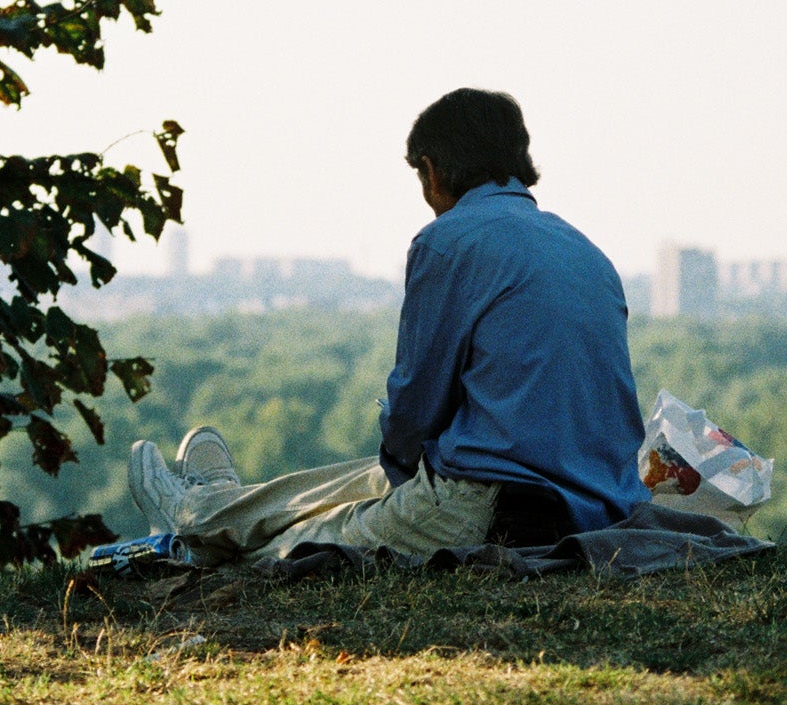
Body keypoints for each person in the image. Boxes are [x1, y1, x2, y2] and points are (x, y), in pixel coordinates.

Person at [125, 87, 649, 562]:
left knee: (295, 550)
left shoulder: (448, 241)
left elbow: (416, 409)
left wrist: (401, 471)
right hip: (598, 502)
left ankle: (199, 530)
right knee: (347, 482)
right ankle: (214, 507)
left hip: (496, 508)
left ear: (432, 171)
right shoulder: (588, 253)